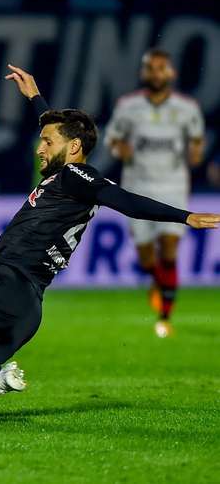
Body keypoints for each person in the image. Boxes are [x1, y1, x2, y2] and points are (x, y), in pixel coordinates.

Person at [0, 65, 219, 411]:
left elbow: (124, 200)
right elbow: (60, 133)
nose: (40, 148)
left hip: (3, 278)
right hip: (28, 309)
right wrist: (36, 98)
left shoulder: (75, 176)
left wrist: (185, 217)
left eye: (47, 142)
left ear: (75, 147)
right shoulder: (68, 179)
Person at [105, 48, 206, 337]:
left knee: (170, 249)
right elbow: (112, 140)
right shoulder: (127, 106)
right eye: (152, 68)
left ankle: (164, 316)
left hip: (173, 186)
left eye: (162, 68)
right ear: (144, 73)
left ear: (171, 73)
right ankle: (156, 280)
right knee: (147, 257)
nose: (157, 73)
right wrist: (118, 149)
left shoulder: (188, 108)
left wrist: (196, 152)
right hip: (138, 188)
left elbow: (197, 140)